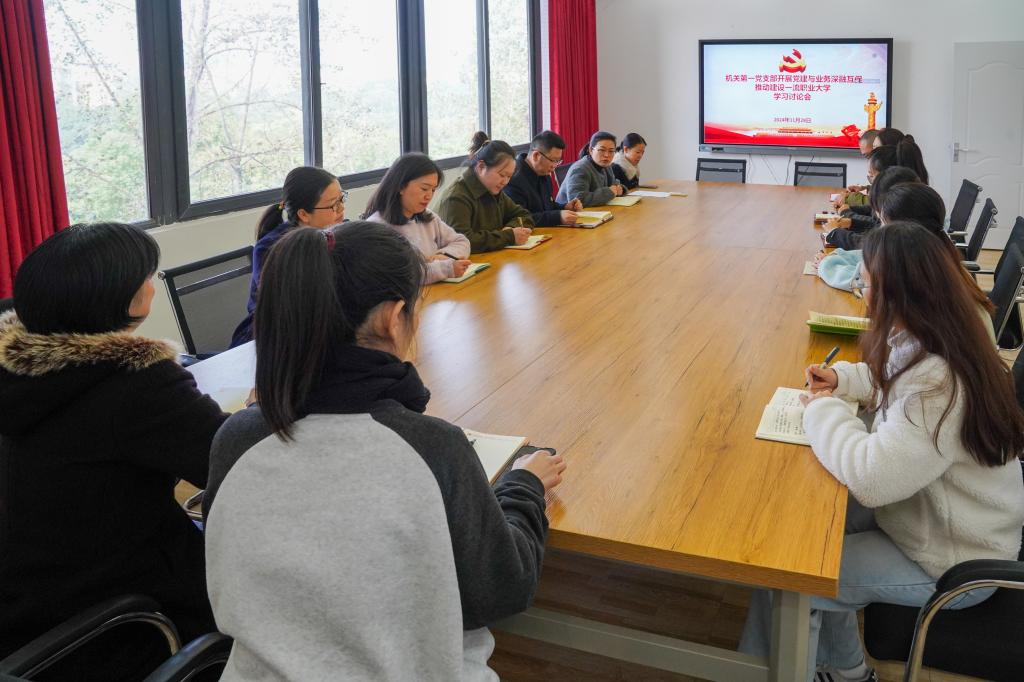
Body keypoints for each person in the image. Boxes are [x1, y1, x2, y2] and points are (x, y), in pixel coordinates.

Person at [203, 222, 566, 680]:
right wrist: (525, 486)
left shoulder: (236, 438)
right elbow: (500, 590)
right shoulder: (434, 447)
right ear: (393, 318)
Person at [741, 221, 1024, 682]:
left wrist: (821, 410)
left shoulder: (938, 385)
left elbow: (872, 479)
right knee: (807, 538)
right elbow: (889, 382)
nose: (863, 293)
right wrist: (843, 379)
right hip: (929, 519)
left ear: (900, 293)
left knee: (790, 579)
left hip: (952, 560)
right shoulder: (937, 335)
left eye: (867, 284)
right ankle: (848, 671)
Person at [0, 223, 228, 681]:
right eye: (147, 276)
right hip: (121, 621)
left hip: (25, 600)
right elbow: (231, 460)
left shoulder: (16, 371)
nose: (152, 284)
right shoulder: (137, 382)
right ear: (124, 299)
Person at [230, 166, 346, 346]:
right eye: (333, 205)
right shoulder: (272, 249)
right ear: (304, 214)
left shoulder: (338, 234)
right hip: (272, 339)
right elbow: (293, 307)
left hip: (318, 331)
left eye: (342, 199)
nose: (341, 208)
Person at [363, 153, 472, 283]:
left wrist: (441, 255)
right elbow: (401, 274)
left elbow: (462, 242)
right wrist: (446, 268)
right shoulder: (377, 227)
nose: (429, 196)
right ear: (401, 186)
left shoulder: (428, 218)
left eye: (433, 190)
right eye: (424, 189)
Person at [435, 132, 535, 252]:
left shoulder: (493, 189)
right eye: (502, 175)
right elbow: (462, 241)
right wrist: (508, 236)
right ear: (481, 167)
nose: (505, 182)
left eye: (509, 176)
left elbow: (524, 215)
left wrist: (510, 228)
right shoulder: (457, 196)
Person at [823, 165, 918, 250]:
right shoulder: (906, 219)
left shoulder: (900, 237)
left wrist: (835, 232)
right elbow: (876, 226)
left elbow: (868, 245)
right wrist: (851, 222)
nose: (876, 212)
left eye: (872, 176)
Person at [503, 130, 583, 227]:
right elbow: (520, 218)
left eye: (558, 161)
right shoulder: (513, 178)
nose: (555, 166)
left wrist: (565, 207)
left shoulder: (544, 173)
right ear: (536, 156)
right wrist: (557, 217)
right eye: (553, 160)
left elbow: (547, 206)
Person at [555, 131, 625, 207]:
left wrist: (620, 189)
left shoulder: (606, 165)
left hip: (597, 210)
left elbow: (614, 185)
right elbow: (577, 201)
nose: (606, 155)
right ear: (591, 150)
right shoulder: (580, 169)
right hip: (569, 213)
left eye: (611, 151)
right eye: (602, 150)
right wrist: (609, 192)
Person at [838, 129, 882, 206]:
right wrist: (864, 188)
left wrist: (847, 198)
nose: (869, 160)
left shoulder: (890, 169)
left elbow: (879, 201)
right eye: (866, 156)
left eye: (870, 155)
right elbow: (882, 189)